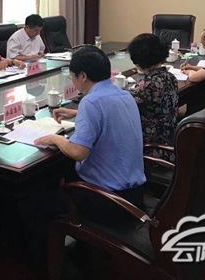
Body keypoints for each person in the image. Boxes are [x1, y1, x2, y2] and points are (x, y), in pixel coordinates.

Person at [19, 46, 145, 275]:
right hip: (135, 194)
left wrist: (55, 138)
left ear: (83, 76)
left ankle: (53, 270)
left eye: (73, 76)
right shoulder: (123, 94)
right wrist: (77, 114)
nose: (73, 81)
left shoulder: (91, 102)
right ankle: (80, 251)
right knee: (62, 172)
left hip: (107, 201)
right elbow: (107, 114)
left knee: (33, 205)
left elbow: (78, 152)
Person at [127, 33, 179, 161]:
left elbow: (122, 105)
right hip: (170, 140)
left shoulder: (147, 86)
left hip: (152, 147)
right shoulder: (170, 76)